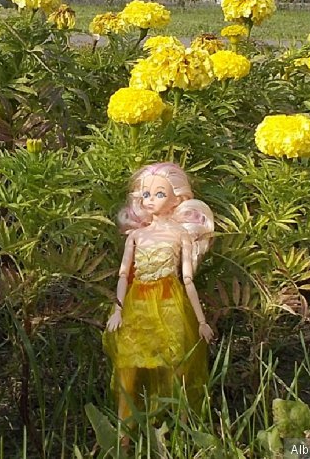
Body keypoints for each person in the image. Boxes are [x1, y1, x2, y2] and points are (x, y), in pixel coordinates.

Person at [103, 162, 214, 424]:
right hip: (138, 302)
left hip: (169, 301)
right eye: (146, 194)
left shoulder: (180, 235)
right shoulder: (136, 236)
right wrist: (118, 308)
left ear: (178, 199)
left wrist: (201, 321)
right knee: (129, 362)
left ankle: (182, 427)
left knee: (177, 361)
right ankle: (124, 430)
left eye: (160, 193)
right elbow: (123, 275)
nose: (150, 199)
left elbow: (188, 280)